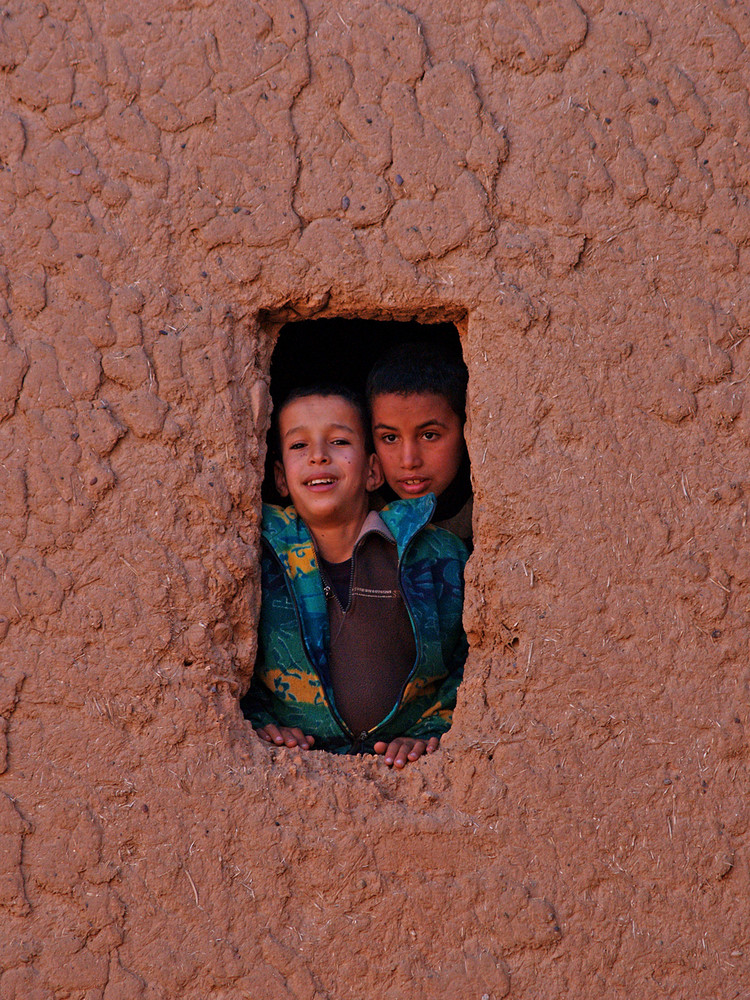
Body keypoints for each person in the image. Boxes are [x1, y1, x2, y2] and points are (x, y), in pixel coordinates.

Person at [241, 384, 468, 768]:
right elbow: (224, 664)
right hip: (300, 780)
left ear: (373, 470)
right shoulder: (255, 558)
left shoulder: (432, 555)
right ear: (280, 477)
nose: (318, 456)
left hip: (411, 778)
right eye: (298, 446)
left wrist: (434, 728)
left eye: (339, 441)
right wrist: (262, 724)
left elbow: (476, 659)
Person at [366, 343, 473, 548]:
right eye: (390, 438)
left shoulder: (493, 512)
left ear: (468, 430)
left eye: (429, 435)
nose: (409, 461)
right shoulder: (361, 518)